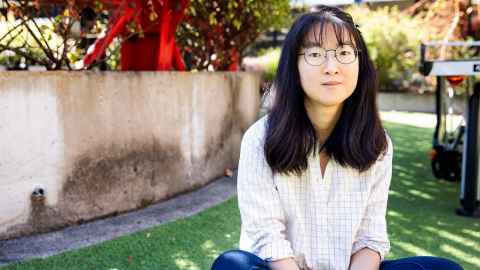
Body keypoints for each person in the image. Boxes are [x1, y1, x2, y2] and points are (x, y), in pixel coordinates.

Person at [210, 5, 464, 270]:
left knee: (444, 269)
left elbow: (369, 237)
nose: (331, 67)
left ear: (360, 63)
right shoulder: (260, 139)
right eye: (315, 54)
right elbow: (267, 236)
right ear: (293, 67)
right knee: (231, 265)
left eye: (344, 53)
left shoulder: (377, 143)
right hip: (280, 268)